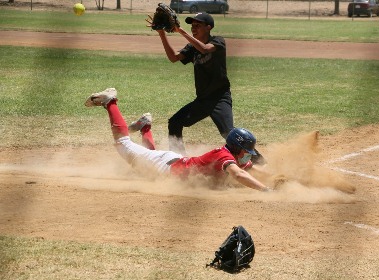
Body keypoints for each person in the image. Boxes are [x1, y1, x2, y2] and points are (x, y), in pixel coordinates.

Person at [84, 88, 273, 192]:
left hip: (171, 161)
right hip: (164, 168)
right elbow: (240, 175)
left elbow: (253, 169)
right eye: (246, 151)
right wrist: (265, 190)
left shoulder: (232, 157)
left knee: (141, 166)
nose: (248, 156)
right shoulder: (225, 157)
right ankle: (111, 101)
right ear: (236, 148)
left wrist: (280, 179)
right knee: (123, 145)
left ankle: (145, 128)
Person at [149, 12, 233, 155]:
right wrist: (161, 33)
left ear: (208, 27)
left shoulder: (218, 41)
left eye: (197, 25)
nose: (194, 28)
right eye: (192, 26)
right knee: (175, 122)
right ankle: (179, 160)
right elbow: (174, 58)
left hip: (219, 98)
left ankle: (259, 162)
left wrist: (180, 30)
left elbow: (205, 49)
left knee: (229, 134)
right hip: (202, 100)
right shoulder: (192, 47)